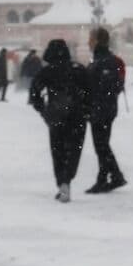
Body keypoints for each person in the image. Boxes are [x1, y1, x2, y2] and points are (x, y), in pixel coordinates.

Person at [28, 38, 89, 203]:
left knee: (58, 151)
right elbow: (91, 91)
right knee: (74, 151)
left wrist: (44, 110)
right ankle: (68, 178)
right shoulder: (78, 69)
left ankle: (63, 182)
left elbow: (34, 94)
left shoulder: (47, 71)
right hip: (77, 117)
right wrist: (86, 110)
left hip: (56, 116)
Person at [85, 27, 127, 193]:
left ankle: (116, 176)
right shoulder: (103, 60)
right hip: (104, 109)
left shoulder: (104, 61)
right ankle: (104, 178)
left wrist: (94, 101)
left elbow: (108, 87)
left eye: (90, 39)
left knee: (101, 145)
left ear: (96, 41)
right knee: (102, 145)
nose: (88, 42)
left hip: (101, 110)